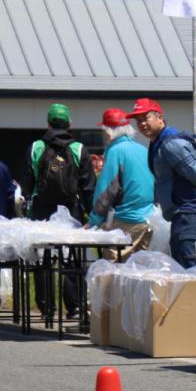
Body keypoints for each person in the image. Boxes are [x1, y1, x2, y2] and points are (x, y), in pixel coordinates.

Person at [126, 97, 196, 269]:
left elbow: (194, 172)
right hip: (181, 212)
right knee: (181, 262)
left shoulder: (171, 144)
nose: (141, 124)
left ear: (159, 117)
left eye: (145, 118)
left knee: (190, 261)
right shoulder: (157, 143)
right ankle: (194, 295)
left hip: (191, 211)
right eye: (138, 121)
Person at [20, 103, 96, 319]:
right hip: (69, 208)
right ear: (69, 123)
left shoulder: (35, 147)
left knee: (42, 257)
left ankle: (47, 308)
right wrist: (91, 214)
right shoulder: (78, 148)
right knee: (71, 257)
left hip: (41, 209)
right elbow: (88, 185)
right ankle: (74, 306)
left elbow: (27, 182)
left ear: (48, 123)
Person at [88, 108, 156, 259]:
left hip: (127, 221)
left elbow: (106, 191)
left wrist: (94, 220)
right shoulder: (142, 149)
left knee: (113, 271)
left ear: (107, 132)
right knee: (140, 272)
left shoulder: (115, 152)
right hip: (150, 220)